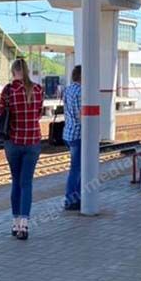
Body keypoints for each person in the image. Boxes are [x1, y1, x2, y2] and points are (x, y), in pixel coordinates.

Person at [0, 57, 44, 239]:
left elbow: (1, 114)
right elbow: (39, 114)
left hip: (13, 142)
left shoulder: (8, 90)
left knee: (16, 182)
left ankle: (15, 223)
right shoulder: (38, 89)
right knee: (27, 183)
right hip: (33, 142)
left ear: (13, 71)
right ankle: (24, 226)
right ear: (27, 71)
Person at [62, 65, 82, 211]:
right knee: (77, 168)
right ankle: (71, 198)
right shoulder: (81, 91)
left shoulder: (67, 90)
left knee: (77, 167)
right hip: (79, 134)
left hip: (68, 133)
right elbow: (82, 115)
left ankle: (77, 196)